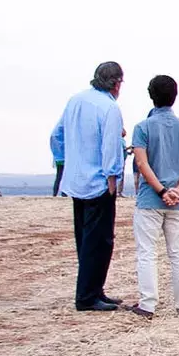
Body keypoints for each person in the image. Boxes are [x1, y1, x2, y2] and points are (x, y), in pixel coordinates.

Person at [50, 62, 127, 312]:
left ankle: (94, 289)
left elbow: (56, 135)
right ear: (116, 84)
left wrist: (65, 162)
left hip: (75, 179)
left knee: (84, 239)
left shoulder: (75, 100)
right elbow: (111, 147)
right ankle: (87, 296)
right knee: (100, 241)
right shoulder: (109, 107)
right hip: (98, 181)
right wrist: (112, 177)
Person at [127, 75, 179, 319]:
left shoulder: (142, 128)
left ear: (151, 96)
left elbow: (141, 162)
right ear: (175, 97)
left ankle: (148, 304)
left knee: (147, 252)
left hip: (151, 199)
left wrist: (160, 190)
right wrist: (178, 190)